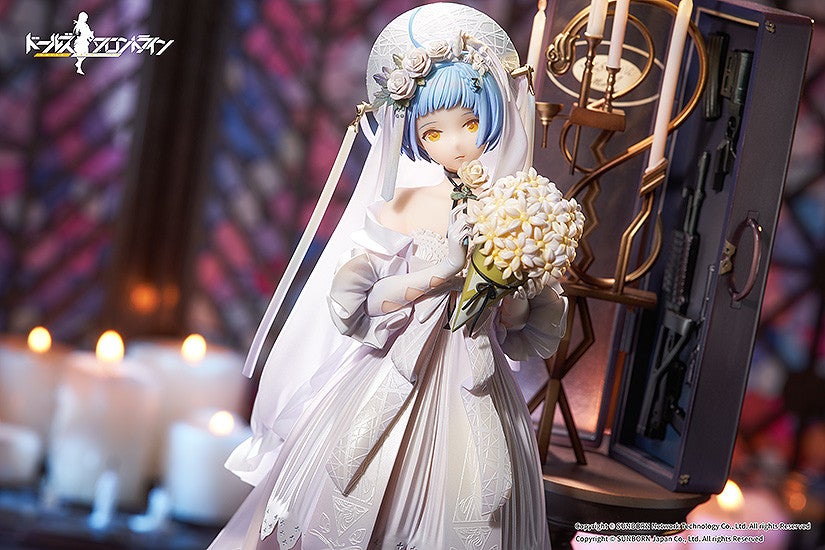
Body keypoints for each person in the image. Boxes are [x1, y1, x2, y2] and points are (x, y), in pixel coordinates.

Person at [210, 4, 565, 549]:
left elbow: (520, 327)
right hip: (392, 368)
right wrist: (444, 271)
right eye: (433, 132)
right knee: (353, 486)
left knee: (476, 494)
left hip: (477, 376)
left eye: (471, 124)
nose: (455, 143)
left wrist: (509, 281)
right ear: (414, 137)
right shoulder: (408, 204)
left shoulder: (512, 208)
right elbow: (364, 301)